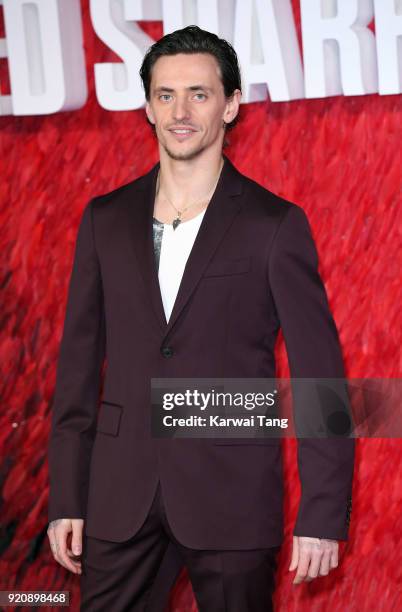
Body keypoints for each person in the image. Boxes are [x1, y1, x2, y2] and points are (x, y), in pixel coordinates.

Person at [47, 25, 355, 611]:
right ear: (146, 107)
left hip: (231, 495)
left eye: (199, 93)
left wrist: (323, 510)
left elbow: (321, 375)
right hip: (119, 496)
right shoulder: (104, 220)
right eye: (165, 95)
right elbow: (77, 371)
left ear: (232, 104)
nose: (180, 111)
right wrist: (67, 494)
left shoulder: (275, 225)